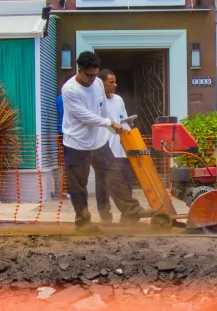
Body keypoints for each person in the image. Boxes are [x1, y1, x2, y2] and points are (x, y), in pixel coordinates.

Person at [61, 51, 153, 232]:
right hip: (77, 144)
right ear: (79, 70)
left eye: (95, 75)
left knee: (115, 175)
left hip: (99, 142)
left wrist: (112, 127)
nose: (92, 79)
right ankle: (83, 222)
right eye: (88, 75)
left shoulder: (96, 84)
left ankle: (131, 210)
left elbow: (101, 109)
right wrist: (109, 123)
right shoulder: (69, 89)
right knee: (79, 186)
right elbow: (85, 116)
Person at [96, 69, 135, 223]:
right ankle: (105, 216)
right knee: (103, 186)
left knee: (126, 184)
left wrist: (128, 124)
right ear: (101, 83)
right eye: (111, 82)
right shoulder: (96, 102)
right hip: (104, 151)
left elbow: (123, 119)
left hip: (121, 150)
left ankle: (128, 216)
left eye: (115, 81)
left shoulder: (118, 99)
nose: (115, 85)